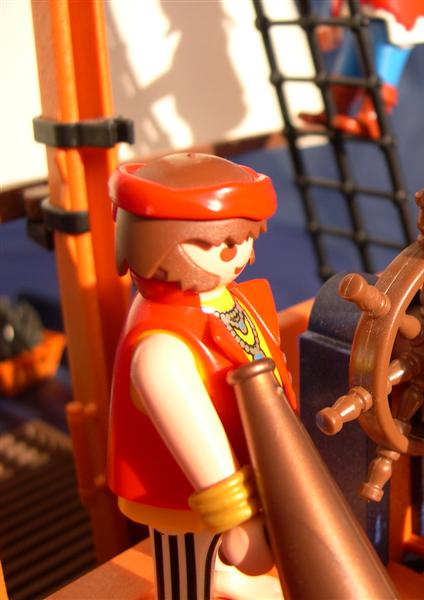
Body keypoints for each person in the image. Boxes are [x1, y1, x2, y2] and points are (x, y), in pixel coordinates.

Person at [107, 153, 296, 599]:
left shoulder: (224, 299)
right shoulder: (162, 346)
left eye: (246, 238)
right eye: (227, 243)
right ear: (158, 244)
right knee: (182, 569)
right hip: (182, 484)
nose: (242, 253)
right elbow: (195, 436)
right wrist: (236, 518)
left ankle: (221, 579)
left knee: (205, 560)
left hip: (253, 457)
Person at [300, 0, 424, 139]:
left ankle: (373, 117)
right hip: (362, 15)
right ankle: (335, 109)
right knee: (349, 63)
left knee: (383, 66)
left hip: (394, 15)